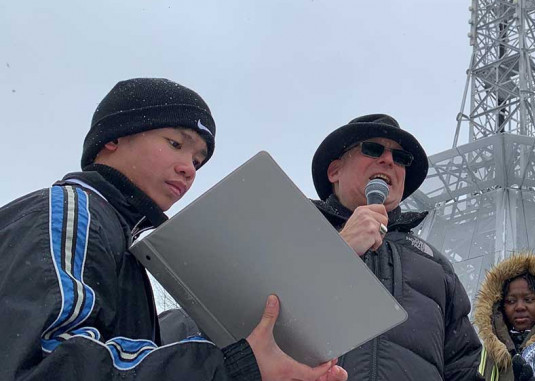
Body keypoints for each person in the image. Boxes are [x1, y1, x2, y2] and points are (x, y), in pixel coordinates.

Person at [0, 78, 346, 381]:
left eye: (198, 161)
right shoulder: (72, 211)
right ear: (114, 138)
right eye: (176, 144)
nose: (189, 169)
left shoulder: (125, 240)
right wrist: (229, 366)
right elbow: (43, 361)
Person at [310, 114, 482, 380]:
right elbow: (251, 326)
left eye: (401, 158)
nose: (389, 160)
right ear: (334, 171)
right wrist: (339, 251)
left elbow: (463, 368)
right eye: (372, 149)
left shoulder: (436, 266)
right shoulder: (291, 230)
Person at [473, 253, 535, 381]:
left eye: (528, 299)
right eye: (511, 301)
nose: (520, 307)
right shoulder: (486, 356)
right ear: (500, 307)